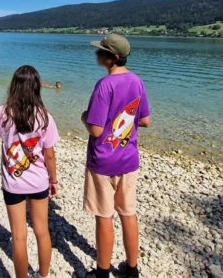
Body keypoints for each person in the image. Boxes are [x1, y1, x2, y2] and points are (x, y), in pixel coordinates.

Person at [81, 34, 150, 278]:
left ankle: (102, 272)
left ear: (112, 58)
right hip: (129, 160)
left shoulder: (104, 85)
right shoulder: (137, 81)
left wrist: (84, 118)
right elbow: (144, 120)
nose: (96, 54)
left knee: (104, 216)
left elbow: (96, 129)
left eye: (100, 51)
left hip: (103, 162)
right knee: (128, 213)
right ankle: (132, 270)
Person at [0, 65, 59, 278]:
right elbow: (49, 155)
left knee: (18, 236)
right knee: (42, 231)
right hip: (39, 182)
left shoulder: (2, 113)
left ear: (14, 87)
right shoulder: (44, 117)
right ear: (37, 88)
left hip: (12, 182)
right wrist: (53, 180)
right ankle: (43, 275)